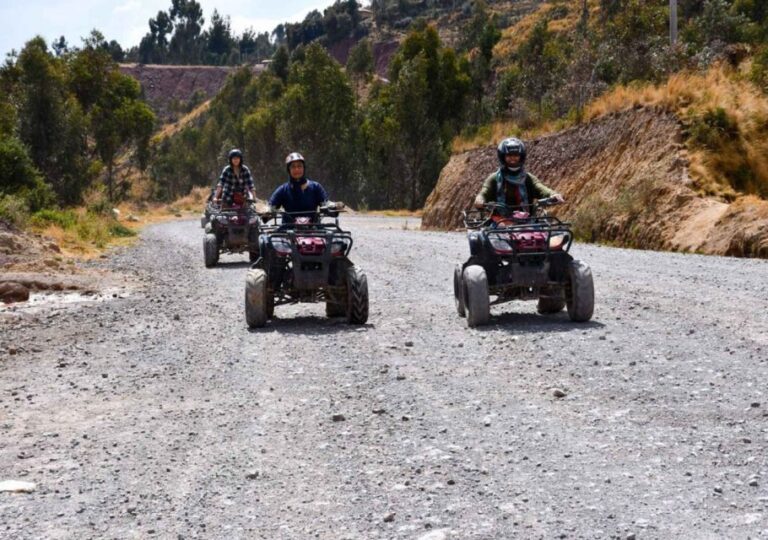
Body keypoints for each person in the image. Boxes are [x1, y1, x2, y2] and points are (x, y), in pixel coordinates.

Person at [474, 138, 564, 209]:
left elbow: (540, 188)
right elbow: (484, 192)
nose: (513, 158)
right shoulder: (494, 178)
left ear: (521, 156)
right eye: (509, 155)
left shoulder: (528, 177)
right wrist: (480, 199)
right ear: (503, 156)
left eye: (516, 155)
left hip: (528, 222)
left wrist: (553, 194)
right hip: (500, 223)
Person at [267, 152, 334, 223]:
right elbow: (271, 207)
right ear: (288, 170)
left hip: (314, 229)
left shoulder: (316, 187)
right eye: (293, 167)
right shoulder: (283, 190)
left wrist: (333, 207)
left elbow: (326, 204)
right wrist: (267, 212)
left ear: (304, 168)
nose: (296, 169)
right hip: (288, 230)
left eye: (299, 166)